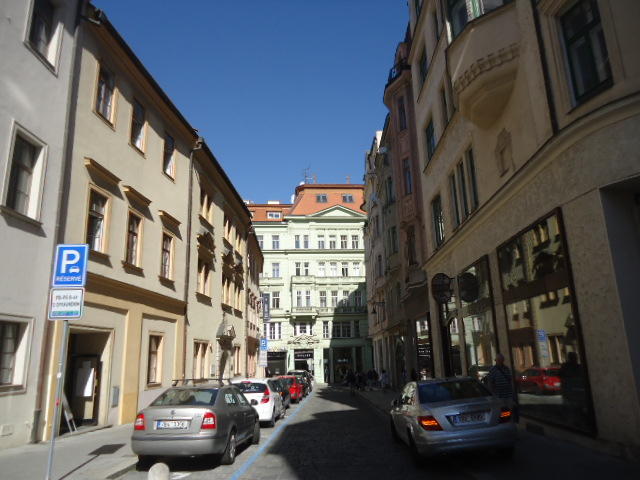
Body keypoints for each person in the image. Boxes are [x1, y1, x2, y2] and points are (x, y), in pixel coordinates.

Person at [485, 353, 517, 421]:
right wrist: (493, 394)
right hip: (499, 396)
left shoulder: (506, 369)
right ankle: (505, 421)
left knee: (510, 410)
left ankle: (510, 421)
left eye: (501, 360)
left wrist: (513, 392)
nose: (500, 361)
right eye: (498, 360)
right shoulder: (493, 370)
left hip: (508, 395)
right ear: (496, 361)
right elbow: (490, 383)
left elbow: (510, 381)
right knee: (503, 412)